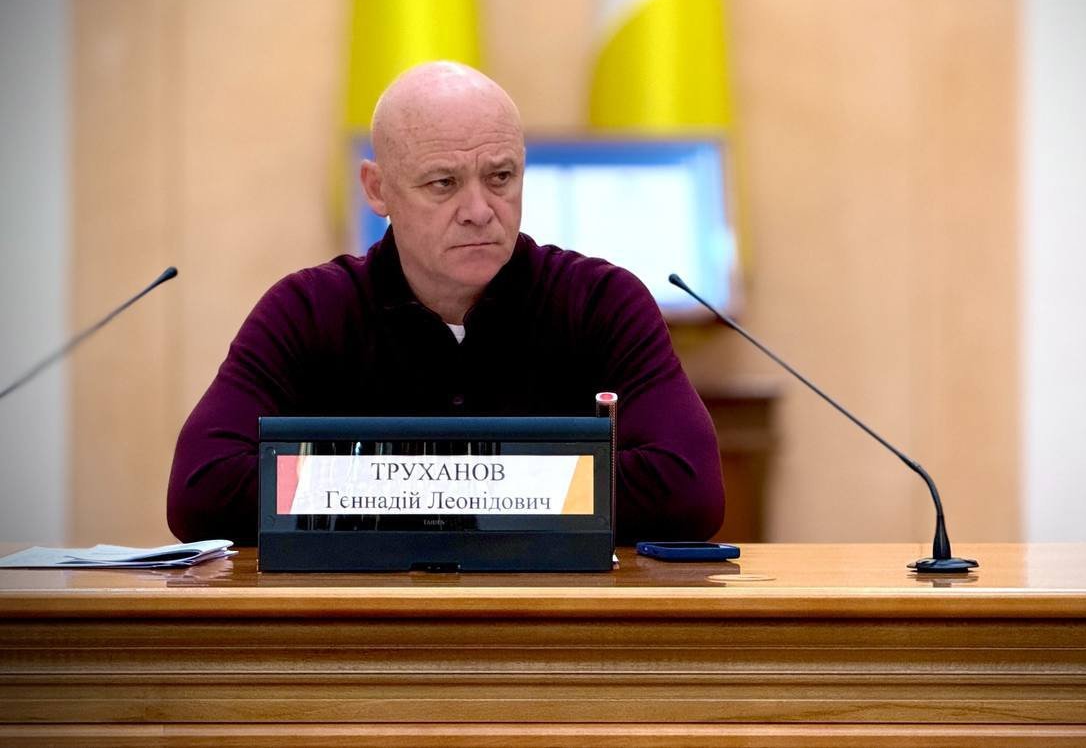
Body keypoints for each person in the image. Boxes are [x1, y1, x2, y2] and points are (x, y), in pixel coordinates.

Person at [167, 62, 724, 545]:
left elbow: (690, 491)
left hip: (550, 621)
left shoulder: (601, 301)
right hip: (361, 624)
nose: (479, 211)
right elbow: (202, 490)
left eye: (500, 177)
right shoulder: (307, 310)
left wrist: (385, 488)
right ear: (377, 189)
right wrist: (512, 490)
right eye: (443, 183)